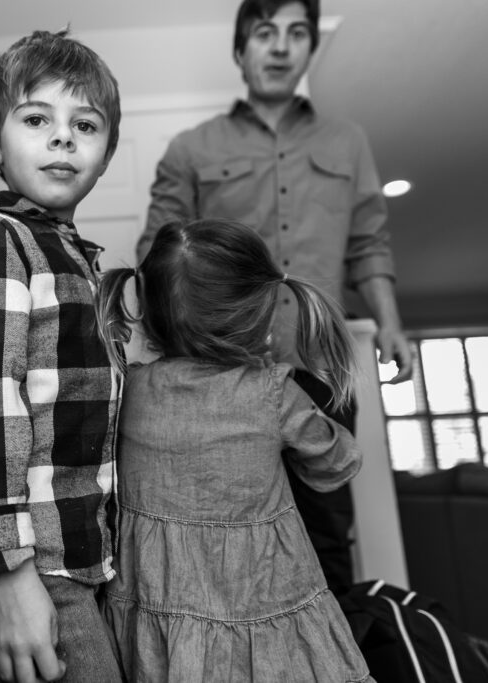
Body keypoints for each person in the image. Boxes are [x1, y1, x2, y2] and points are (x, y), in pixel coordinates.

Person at [135, 0, 413, 595]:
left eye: (296, 34)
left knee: (328, 536)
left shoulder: (347, 142)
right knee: (227, 538)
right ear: (241, 50)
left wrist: (391, 324)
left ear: (311, 47)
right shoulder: (190, 149)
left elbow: (369, 242)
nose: (281, 47)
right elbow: (157, 257)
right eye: (265, 33)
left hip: (319, 371)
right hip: (223, 378)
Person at [98, 218, 373, 682]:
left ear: (144, 305)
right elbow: (338, 465)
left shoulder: (128, 391)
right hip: (262, 600)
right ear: (259, 313)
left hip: (156, 604)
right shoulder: (273, 393)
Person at [0, 29, 123, 683]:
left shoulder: (80, 261)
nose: (63, 138)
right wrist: (7, 573)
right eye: (36, 118)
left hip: (81, 552)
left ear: (106, 153)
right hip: (27, 558)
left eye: (86, 125)